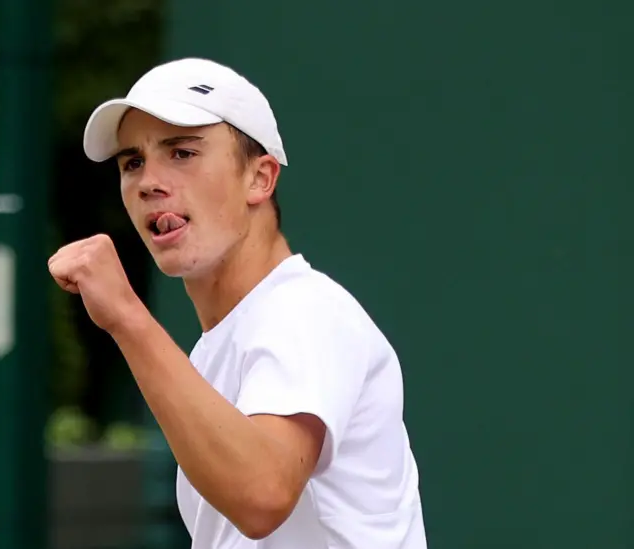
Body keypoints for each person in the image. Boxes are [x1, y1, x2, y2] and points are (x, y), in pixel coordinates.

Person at [48, 58, 427, 549]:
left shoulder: (305, 311)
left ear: (260, 178)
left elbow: (261, 493)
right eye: (132, 162)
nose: (148, 182)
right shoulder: (215, 351)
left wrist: (126, 316)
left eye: (182, 152)